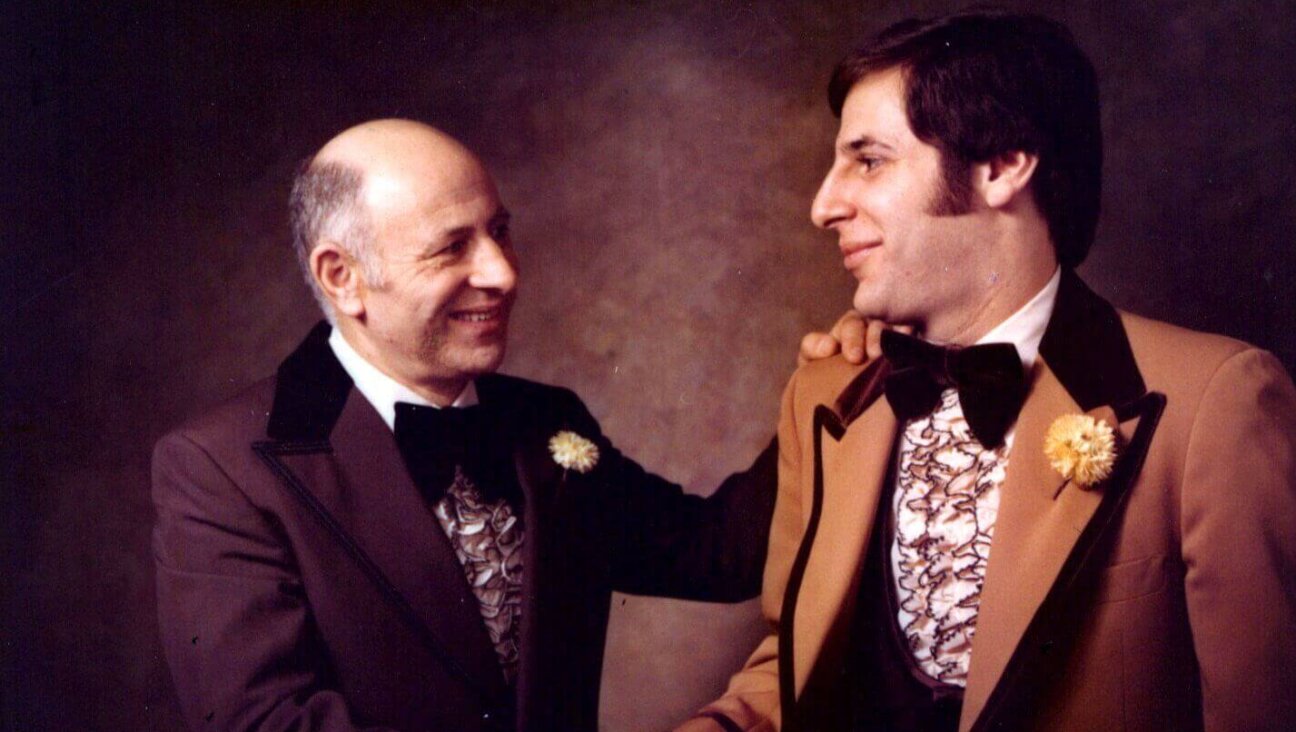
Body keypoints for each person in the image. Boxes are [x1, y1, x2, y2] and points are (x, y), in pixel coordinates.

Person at [681, 11, 1296, 732]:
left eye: (869, 160)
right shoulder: (828, 392)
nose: (823, 205)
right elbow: (791, 668)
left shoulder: (1214, 401)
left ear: (1003, 164)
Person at [150, 120, 861, 731]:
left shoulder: (543, 421)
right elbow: (268, 724)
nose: (501, 273)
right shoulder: (221, 465)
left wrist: (825, 396)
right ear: (342, 276)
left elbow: (718, 554)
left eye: (499, 232)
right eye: (451, 247)